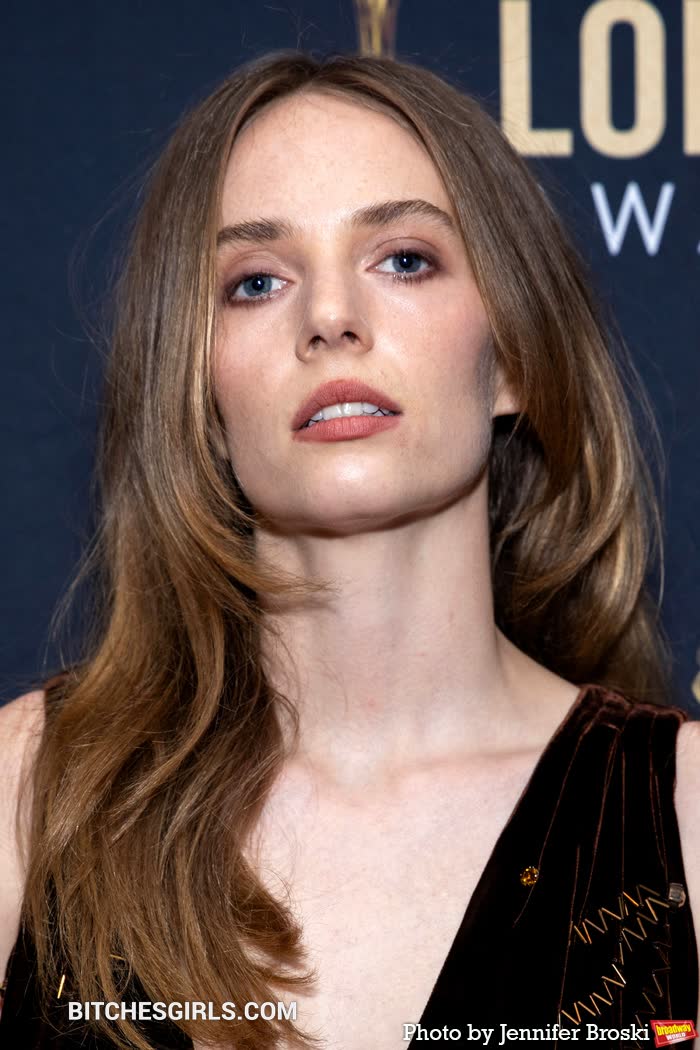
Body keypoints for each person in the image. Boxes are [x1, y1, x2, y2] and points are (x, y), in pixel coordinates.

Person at [0, 48, 698, 1050]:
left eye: (404, 260)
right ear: (197, 390)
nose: (329, 318)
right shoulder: (32, 796)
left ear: (514, 356)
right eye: (255, 282)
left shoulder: (683, 816)